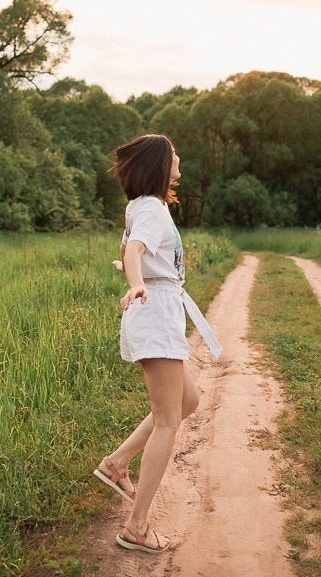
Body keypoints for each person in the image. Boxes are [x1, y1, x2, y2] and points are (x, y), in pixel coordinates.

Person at [92, 133, 223, 555]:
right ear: (158, 164)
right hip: (155, 309)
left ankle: (116, 463)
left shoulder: (144, 206)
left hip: (158, 307)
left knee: (188, 401)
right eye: (173, 154)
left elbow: (130, 249)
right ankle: (137, 526)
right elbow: (133, 249)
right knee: (168, 419)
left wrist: (136, 267)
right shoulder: (150, 208)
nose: (179, 157)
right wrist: (135, 280)